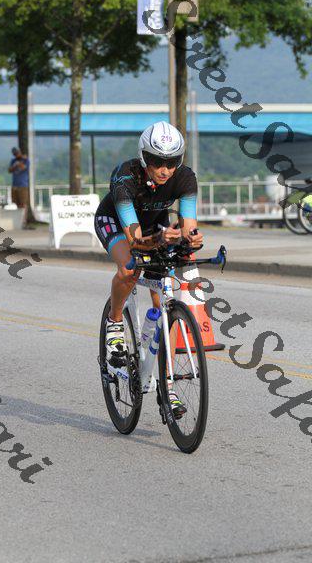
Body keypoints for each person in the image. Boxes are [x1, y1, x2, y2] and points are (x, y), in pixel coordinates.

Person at [94, 121, 203, 418]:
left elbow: (188, 227)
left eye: (171, 162)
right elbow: (135, 241)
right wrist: (160, 239)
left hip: (156, 226)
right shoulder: (125, 177)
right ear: (144, 158)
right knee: (130, 269)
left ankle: (167, 386)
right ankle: (115, 323)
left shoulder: (185, 178)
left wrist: (191, 239)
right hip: (116, 223)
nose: (164, 169)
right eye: (156, 161)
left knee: (163, 300)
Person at [8, 147, 30, 227]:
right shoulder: (13, 161)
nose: (16, 155)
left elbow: (24, 167)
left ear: (20, 152)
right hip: (15, 184)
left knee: (23, 203)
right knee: (17, 203)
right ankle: (19, 220)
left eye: (17, 153)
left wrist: (19, 163)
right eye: (14, 154)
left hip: (23, 184)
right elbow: (9, 170)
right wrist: (15, 165)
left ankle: (24, 221)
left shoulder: (26, 160)